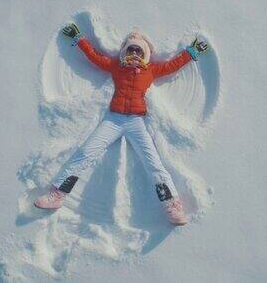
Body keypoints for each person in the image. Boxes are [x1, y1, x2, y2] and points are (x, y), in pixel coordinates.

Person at [34, 23, 208, 226]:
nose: (134, 53)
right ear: (125, 51)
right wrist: (79, 39)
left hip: (136, 122)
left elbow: (173, 65)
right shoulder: (117, 67)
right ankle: (58, 195)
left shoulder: (150, 71)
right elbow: (95, 57)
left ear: (144, 54)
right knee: (86, 152)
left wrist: (192, 51)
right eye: (130, 49)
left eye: (138, 50)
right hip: (113, 120)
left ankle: (172, 205)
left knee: (153, 163)